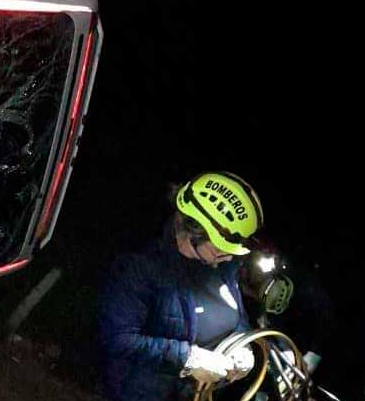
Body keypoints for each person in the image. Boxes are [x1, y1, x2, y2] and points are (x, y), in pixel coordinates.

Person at [98, 171, 264, 400]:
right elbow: (117, 339)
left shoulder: (224, 264)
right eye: (220, 252)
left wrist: (242, 344)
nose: (228, 259)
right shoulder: (141, 266)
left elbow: (235, 310)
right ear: (195, 233)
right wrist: (188, 359)